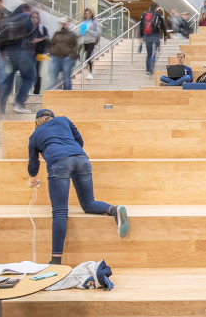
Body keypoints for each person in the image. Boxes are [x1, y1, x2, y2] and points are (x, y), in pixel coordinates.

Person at [28, 109, 130, 267]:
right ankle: (114, 209)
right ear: (52, 118)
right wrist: (74, 154)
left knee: (60, 212)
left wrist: (32, 179)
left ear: (37, 122)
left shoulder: (35, 135)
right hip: (81, 158)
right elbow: (79, 140)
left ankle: (56, 261)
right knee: (89, 203)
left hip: (58, 162)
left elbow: (33, 165)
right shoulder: (63, 120)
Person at [0, 3, 36, 118]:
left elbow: (1, 33)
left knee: (10, 77)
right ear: (25, 9)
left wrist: (2, 49)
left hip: (10, 52)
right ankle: (19, 103)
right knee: (30, 76)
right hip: (22, 50)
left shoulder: (8, 18)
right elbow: (30, 31)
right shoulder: (24, 16)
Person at [49, 17, 79, 91]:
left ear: (67, 24)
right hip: (56, 57)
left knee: (67, 78)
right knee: (53, 75)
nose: (63, 25)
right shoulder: (56, 34)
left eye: (64, 23)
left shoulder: (72, 35)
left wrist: (71, 55)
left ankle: (67, 95)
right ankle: (54, 93)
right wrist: (52, 52)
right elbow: (52, 44)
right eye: (62, 23)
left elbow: (76, 46)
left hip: (67, 58)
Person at [139, 3, 167, 75]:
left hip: (147, 36)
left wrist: (141, 36)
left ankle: (148, 70)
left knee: (149, 54)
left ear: (149, 7)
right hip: (156, 36)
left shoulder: (144, 15)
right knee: (154, 53)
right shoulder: (158, 15)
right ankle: (152, 64)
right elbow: (163, 26)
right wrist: (165, 36)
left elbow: (141, 25)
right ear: (156, 8)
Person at [79, 8, 102, 79]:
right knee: (84, 57)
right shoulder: (83, 22)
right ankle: (91, 67)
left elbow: (98, 32)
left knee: (88, 56)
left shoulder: (94, 23)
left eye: (88, 13)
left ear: (91, 14)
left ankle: (90, 73)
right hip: (84, 41)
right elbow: (80, 32)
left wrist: (89, 31)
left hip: (91, 41)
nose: (87, 15)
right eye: (86, 13)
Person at [30, 11, 49, 94]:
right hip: (28, 53)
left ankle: (36, 91)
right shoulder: (27, 28)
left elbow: (45, 40)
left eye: (36, 18)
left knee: (37, 72)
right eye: (33, 17)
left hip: (38, 53)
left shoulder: (41, 28)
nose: (34, 19)